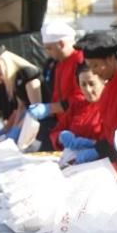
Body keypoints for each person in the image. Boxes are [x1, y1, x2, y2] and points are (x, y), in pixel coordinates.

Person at [60, 31, 117, 169]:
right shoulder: (111, 82)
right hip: (114, 158)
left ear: (111, 59)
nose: (93, 72)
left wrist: (100, 151)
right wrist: (97, 146)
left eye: (95, 65)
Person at [27, 21, 87, 149]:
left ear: (61, 44)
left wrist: (51, 108)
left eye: (49, 48)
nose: (48, 53)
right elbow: (57, 94)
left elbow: (83, 97)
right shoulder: (59, 64)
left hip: (81, 123)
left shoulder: (80, 61)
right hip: (64, 123)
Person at [0, 44, 47, 147]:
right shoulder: (15, 78)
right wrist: (13, 129)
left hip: (44, 125)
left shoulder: (27, 73)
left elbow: (35, 108)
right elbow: (21, 107)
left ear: (3, 62)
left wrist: (17, 131)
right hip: (31, 125)